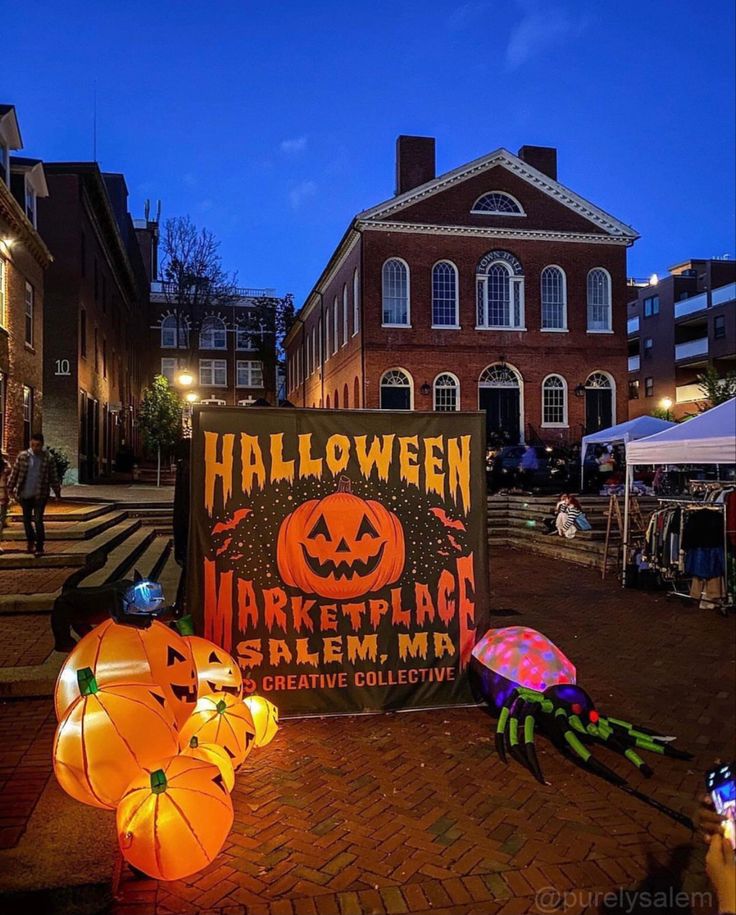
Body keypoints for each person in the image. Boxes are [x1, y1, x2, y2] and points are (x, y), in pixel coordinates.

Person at [7, 432, 62, 557]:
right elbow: (15, 473)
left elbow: (54, 477)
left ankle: (40, 546)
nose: (35, 447)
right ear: (30, 443)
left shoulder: (48, 458)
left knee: (38, 520)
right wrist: (10, 489)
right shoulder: (23, 456)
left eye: (38, 445)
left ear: (42, 444)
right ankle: (30, 541)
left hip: (40, 495)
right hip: (24, 494)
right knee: (26, 521)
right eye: (33, 445)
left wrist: (57, 493)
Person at [0, 452, 9, 555]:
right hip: (2, 497)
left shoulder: (5, 467)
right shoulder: (5, 466)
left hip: (2, 497)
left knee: (1, 521)